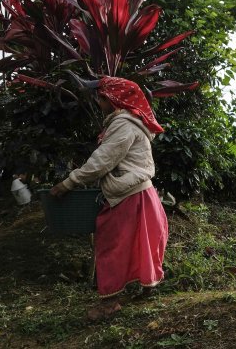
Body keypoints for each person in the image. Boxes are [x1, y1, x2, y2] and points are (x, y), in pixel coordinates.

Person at [49, 76, 168, 321]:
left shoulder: (123, 125)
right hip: (139, 191)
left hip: (128, 194)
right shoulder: (131, 122)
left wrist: (69, 182)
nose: (98, 102)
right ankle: (147, 288)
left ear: (112, 99)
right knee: (141, 243)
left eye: (101, 97)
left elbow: (102, 161)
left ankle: (109, 303)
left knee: (111, 246)